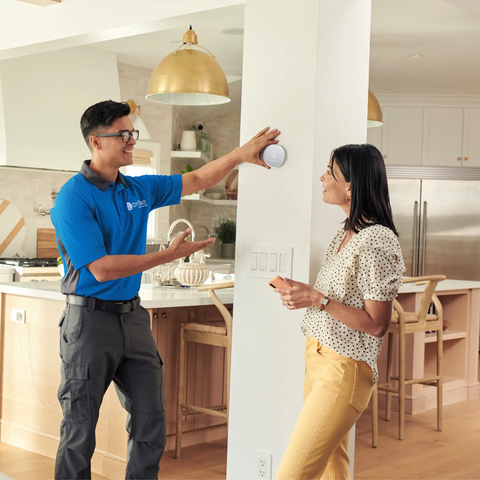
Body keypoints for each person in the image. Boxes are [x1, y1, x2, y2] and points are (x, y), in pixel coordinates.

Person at [51, 99, 280, 480]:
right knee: (79, 431)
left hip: (133, 319)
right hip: (88, 323)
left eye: (132, 133)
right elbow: (102, 268)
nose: (130, 140)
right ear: (96, 141)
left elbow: (197, 180)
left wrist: (240, 154)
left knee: (151, 423)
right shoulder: (73, 197)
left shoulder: (138, 188)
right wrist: (166, 256)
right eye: (122, 135)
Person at [273, 144, 405, 480]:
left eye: (330, 171)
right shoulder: (346, 232)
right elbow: (335, 298)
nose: (322, 177)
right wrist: (305, 294)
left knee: (292, 474)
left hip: (343, 369)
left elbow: (377, 325)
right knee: (333, 471)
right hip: (318, 359)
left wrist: (318, 299)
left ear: (351, 185)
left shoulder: (377, 240)